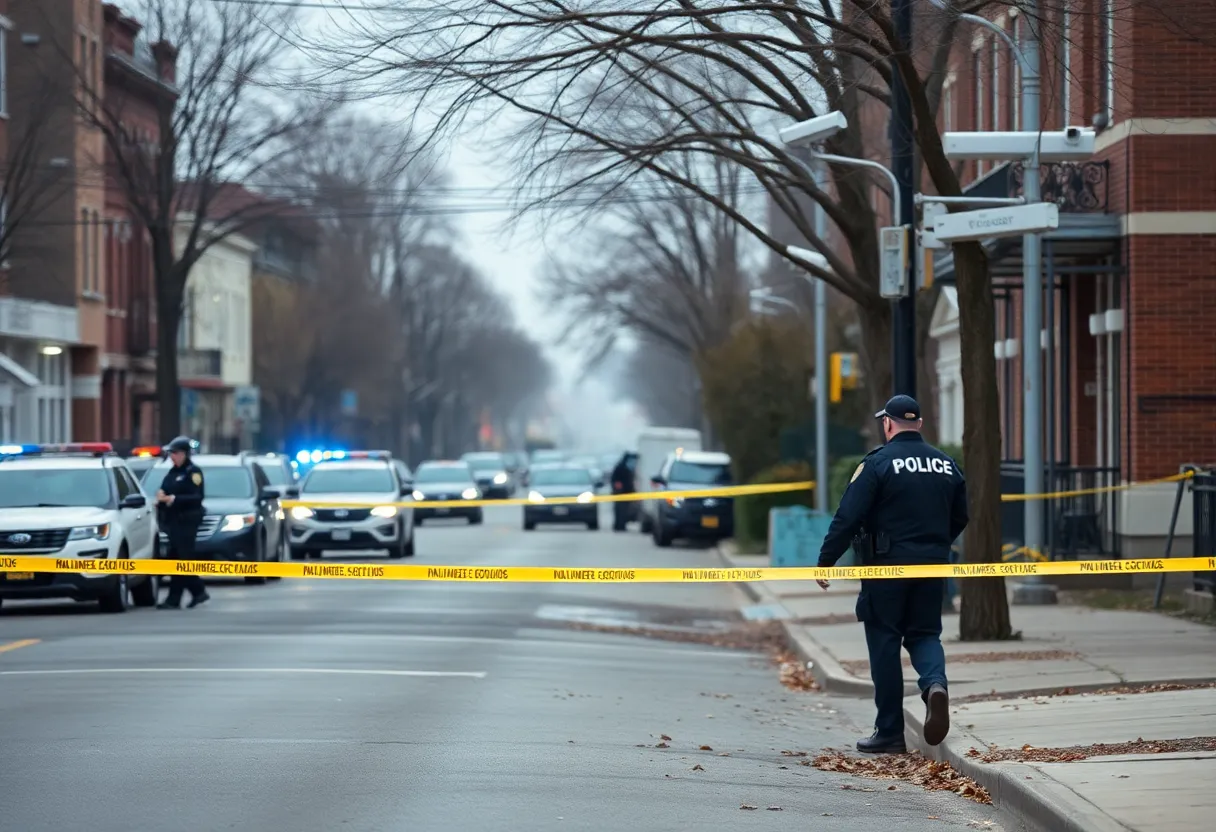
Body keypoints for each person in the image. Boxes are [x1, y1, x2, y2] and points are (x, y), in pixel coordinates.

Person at [816, 395, 969, 754]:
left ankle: (889, 731)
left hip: (885, 569)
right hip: (932, 565)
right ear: (919, 424)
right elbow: (961, 515)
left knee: (884, 640)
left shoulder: (877, 464)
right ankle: (935, 685)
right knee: (925, 633)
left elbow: (848, 516)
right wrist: (935, 545)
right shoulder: (947, 466)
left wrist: (826, 560)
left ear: (888, 424)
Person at [156, 435, 211, 610]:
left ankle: (197, 591)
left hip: (187, 521)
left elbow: (197, 496)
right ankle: (176, 598)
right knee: (175, 559)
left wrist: (173, 498)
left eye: (177, 453)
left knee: (183, 559)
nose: (173, 456)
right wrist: (161, 496)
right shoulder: (173, 472)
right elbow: (164, 487)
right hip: (174, 522)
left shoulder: (193, 472)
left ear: (185, 454)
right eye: (172, 453)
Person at [610, 451, 637, 532]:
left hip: (626, 493)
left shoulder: (628, 469)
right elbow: (615, 480)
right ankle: (619, 526)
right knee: (620, 511)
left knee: (624, 511)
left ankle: (621, 525)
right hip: (619, 493)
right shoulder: (620, 468)